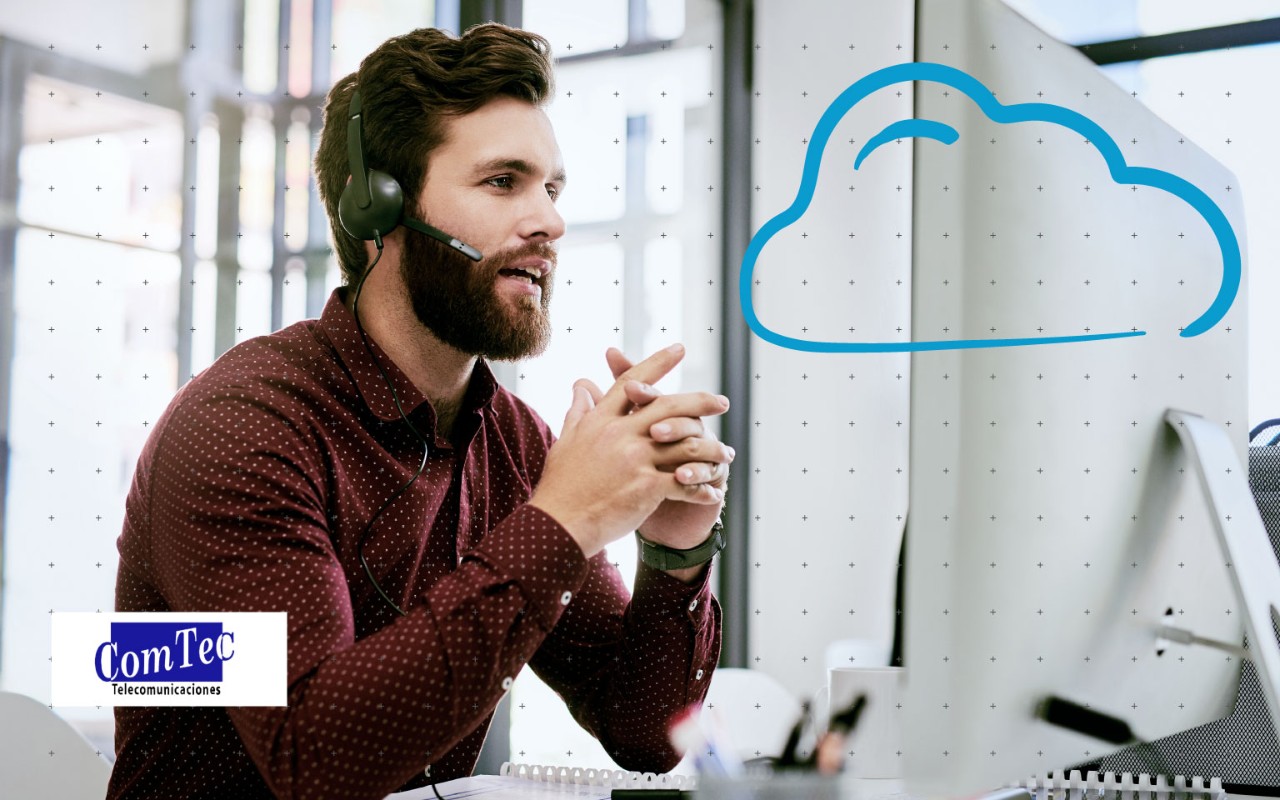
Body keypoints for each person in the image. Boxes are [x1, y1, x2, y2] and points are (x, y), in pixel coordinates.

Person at [107, 23, 732, 800]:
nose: (550, 222)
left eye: (552, 189)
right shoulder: (242, 427)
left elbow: (643, 734)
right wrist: (567, 519)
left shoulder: (512, 443)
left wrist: (675, 550)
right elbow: (313, 757)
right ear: (379, 207)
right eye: (503, 182)